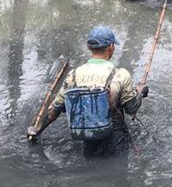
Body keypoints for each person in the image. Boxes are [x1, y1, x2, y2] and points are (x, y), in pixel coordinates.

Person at [26, 26, 147, 156]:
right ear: (111, 47)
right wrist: (140, 92)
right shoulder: (120, 75)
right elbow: (131, 108)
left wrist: (37, 130)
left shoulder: (73, 75)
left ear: (90, 48)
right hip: (115, 140)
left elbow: (55, 109)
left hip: (87, 138)